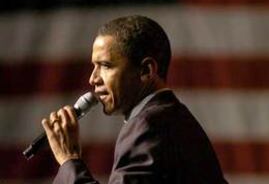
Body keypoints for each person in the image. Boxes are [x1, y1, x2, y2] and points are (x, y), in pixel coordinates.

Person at [42, 15, 228, 183]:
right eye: (94, 66)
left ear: (146, 71)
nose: (93, 79)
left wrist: (69, 160)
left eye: (105, 66)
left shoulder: (148, 126)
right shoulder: (172, 117)